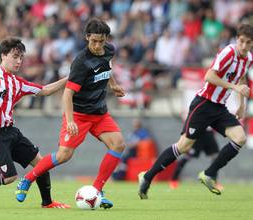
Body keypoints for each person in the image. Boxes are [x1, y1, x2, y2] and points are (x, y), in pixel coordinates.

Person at [15, 18, 126, 209]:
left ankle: (97, 190)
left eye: (101, 41)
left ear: (106, 39)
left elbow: (107, 68)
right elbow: (67, 94)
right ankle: (27, 179)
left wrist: (114, 85)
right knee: (63, 155)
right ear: (87, 38)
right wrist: (71, 120)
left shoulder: (109, 51)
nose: (98, 46)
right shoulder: (81, 62)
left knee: (119, 144)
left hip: (99, 114)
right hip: (79, 114)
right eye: (94, 41)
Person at [138, 23, 253, 199]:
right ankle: (147, 177)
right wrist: (234, 87)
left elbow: (242, 77)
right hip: (204, 104)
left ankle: (209, 173)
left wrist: (242, 104)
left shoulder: (248, 58)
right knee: (184, 146)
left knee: (240, 138)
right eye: (242, 41)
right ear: (237, 39)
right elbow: (209, 76)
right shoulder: (228, 52)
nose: (244, 46)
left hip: (219, 107)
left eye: (248, 43)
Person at [0, 37, 70, 208]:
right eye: (15, 56)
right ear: (3, 55)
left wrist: (70, 78)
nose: (19, 61)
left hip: (11, 132)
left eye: (21, 57)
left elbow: (45, 90)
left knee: (42, 164)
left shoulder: (18, 83)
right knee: (9, 178)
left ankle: (47, 203)